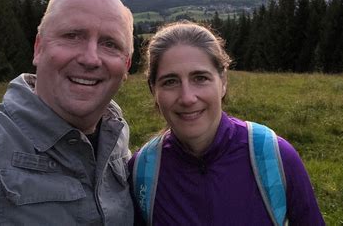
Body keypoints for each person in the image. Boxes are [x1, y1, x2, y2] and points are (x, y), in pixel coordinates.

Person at [128, 21, 325, 225]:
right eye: (170, 81)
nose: (187, 98)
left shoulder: (276, 157)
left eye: (200, 78)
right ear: (154, 91)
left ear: (223, 82)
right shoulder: (141, 173)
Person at [0, 0, 135, 224]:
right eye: (72, 36)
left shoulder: (117, 138)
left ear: (126, 65)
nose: (90, 58)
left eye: (110, 44)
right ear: (39, 48)